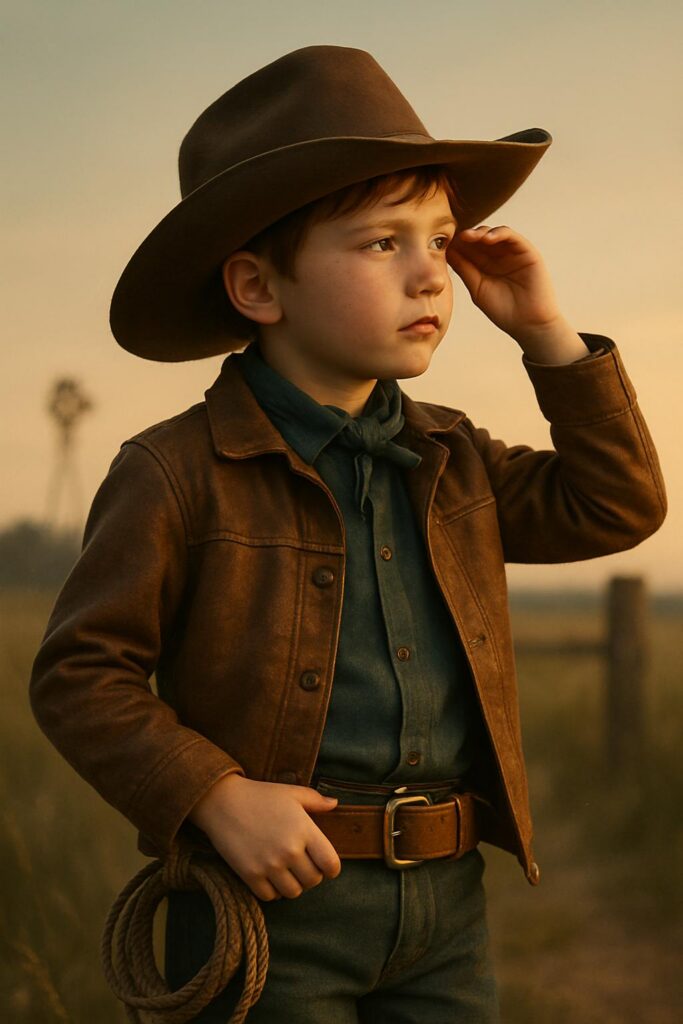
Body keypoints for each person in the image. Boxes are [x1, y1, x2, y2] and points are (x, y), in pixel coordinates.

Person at [29, 45, 667, 1023]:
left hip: (445, 907)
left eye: (442, 238)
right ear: (257, 287)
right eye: (381, 244)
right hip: (268, 907)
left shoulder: (454, 457)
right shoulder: (175, 471)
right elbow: (80, 673)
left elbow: (613, 505)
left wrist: (546, 334)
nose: (431, 275)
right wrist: (212, 794)